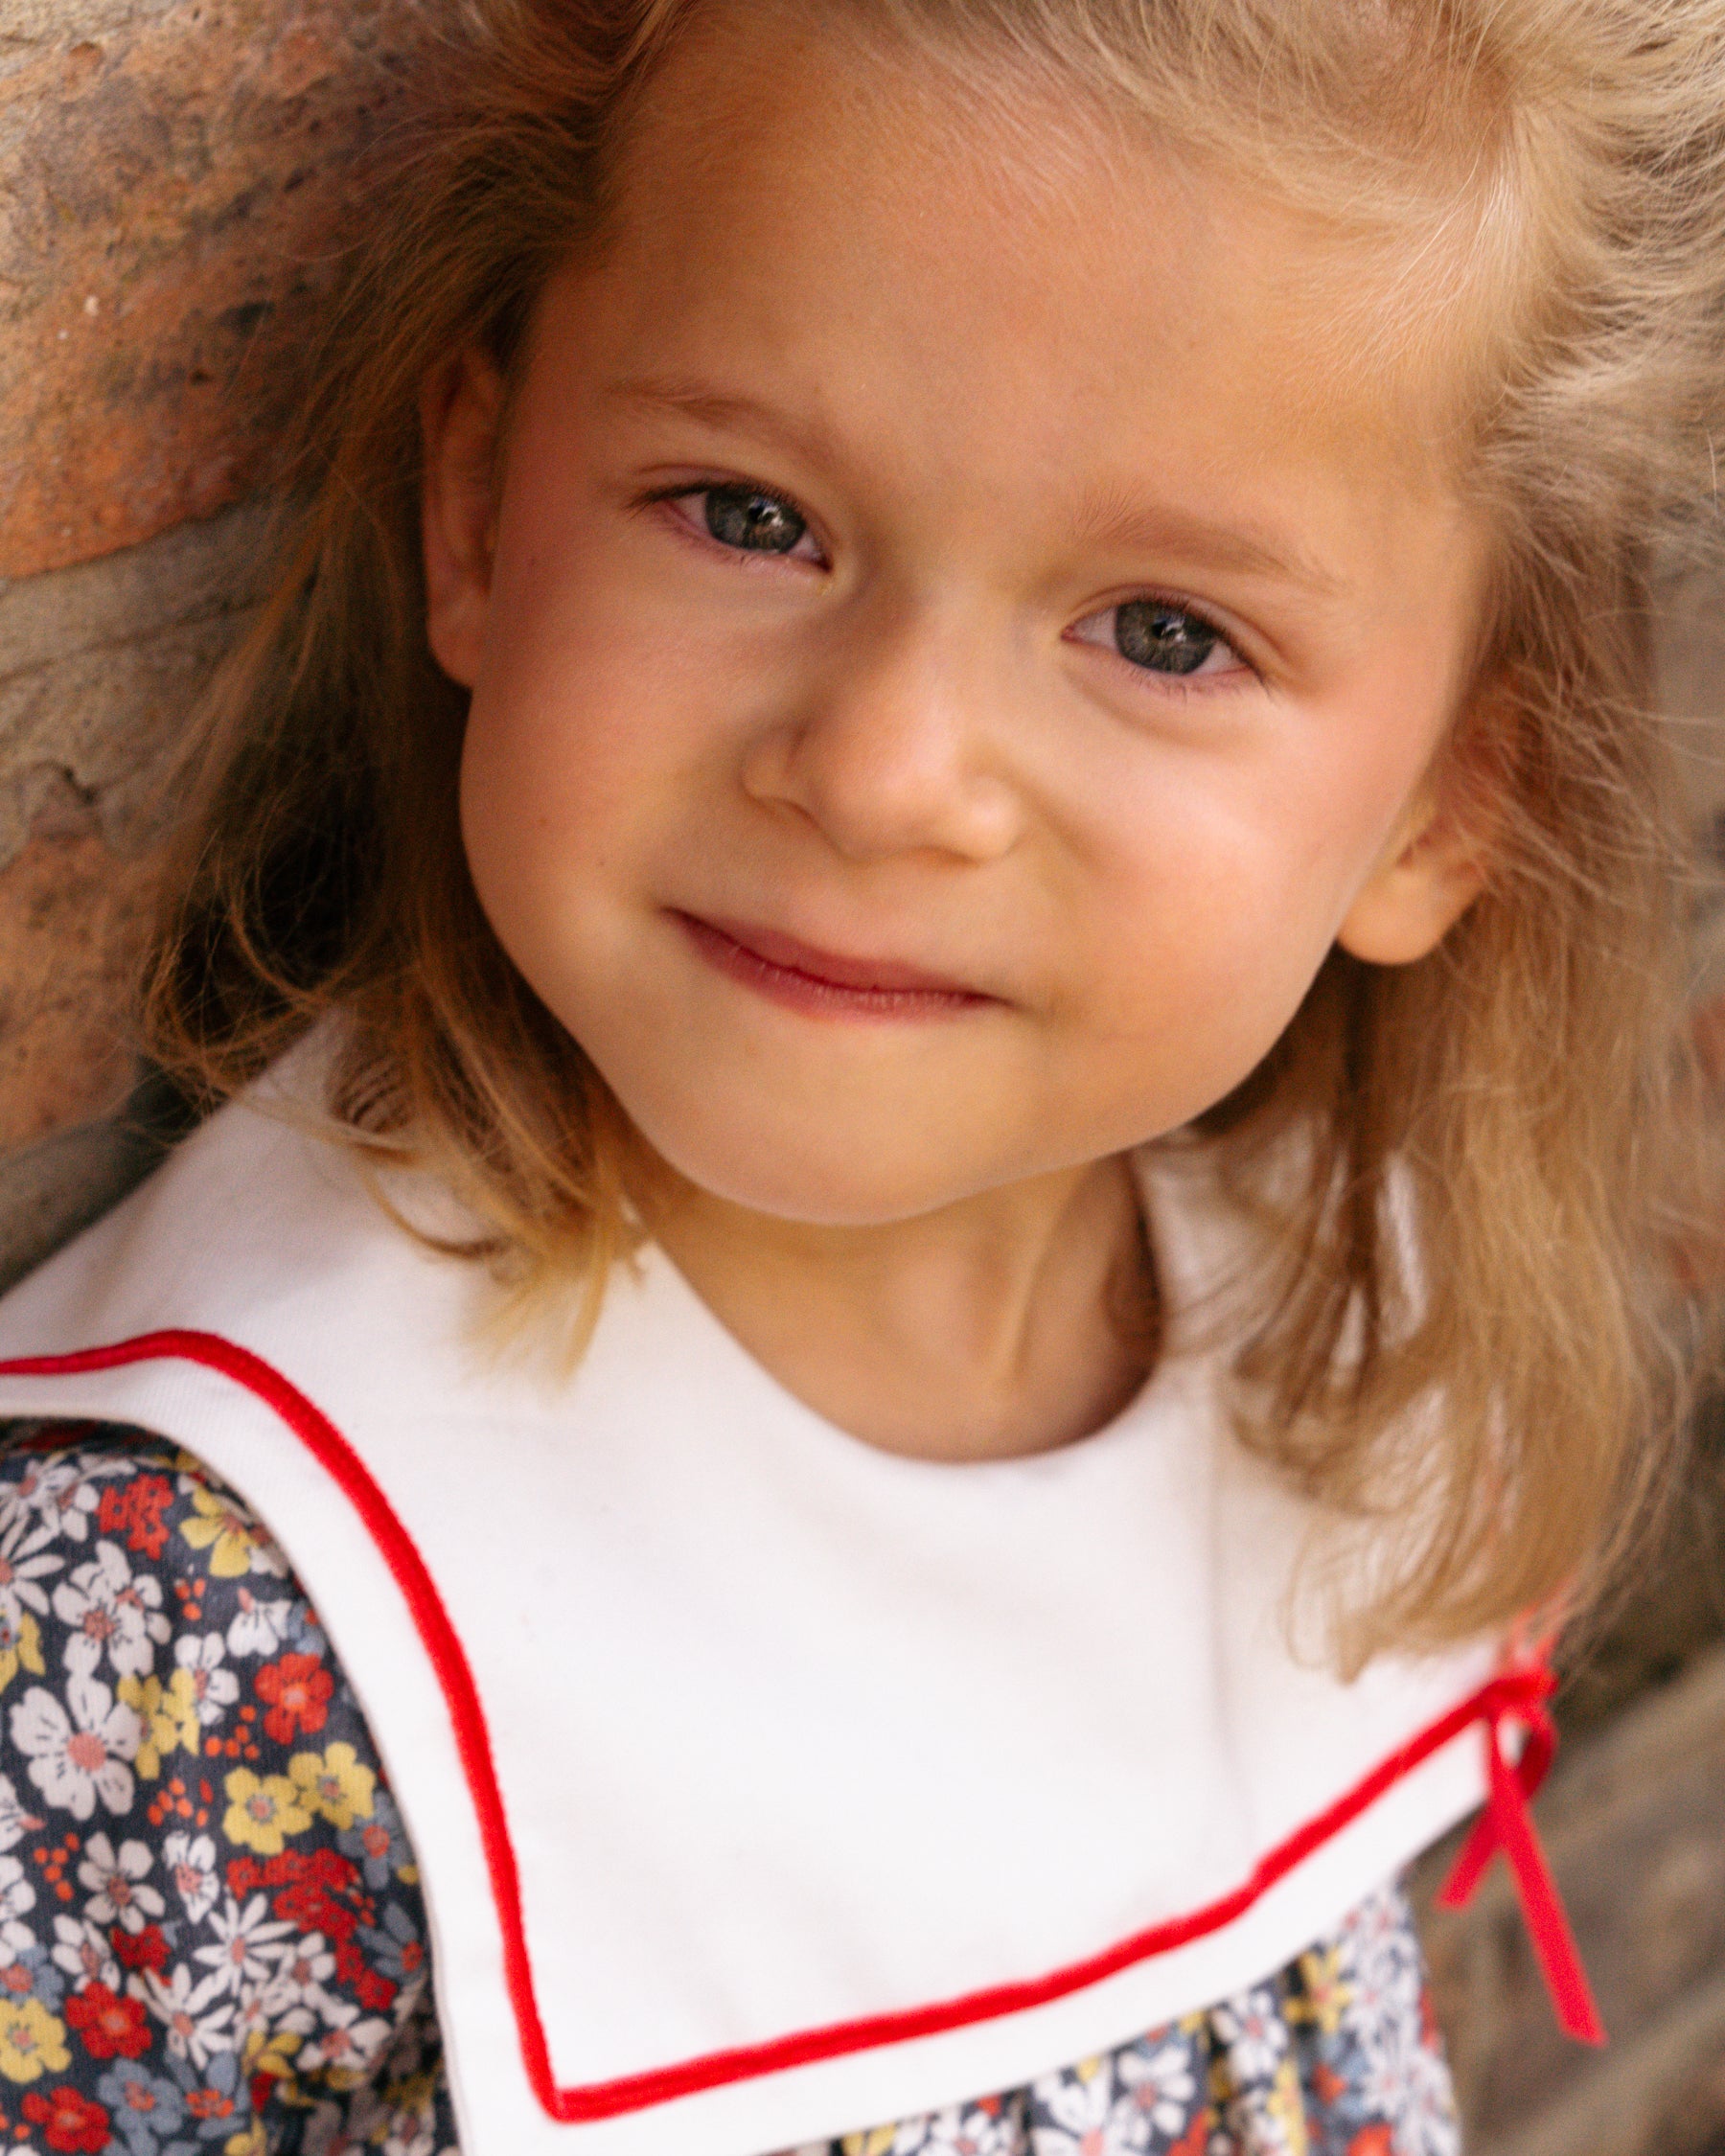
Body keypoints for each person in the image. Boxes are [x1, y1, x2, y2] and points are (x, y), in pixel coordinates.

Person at [0, 0, 1717, 2148]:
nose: (888, 773)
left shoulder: (1353, 1336)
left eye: (1166, 634)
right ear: (477, 506)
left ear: (1456, 800)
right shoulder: (187, 1637)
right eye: (745, 513)